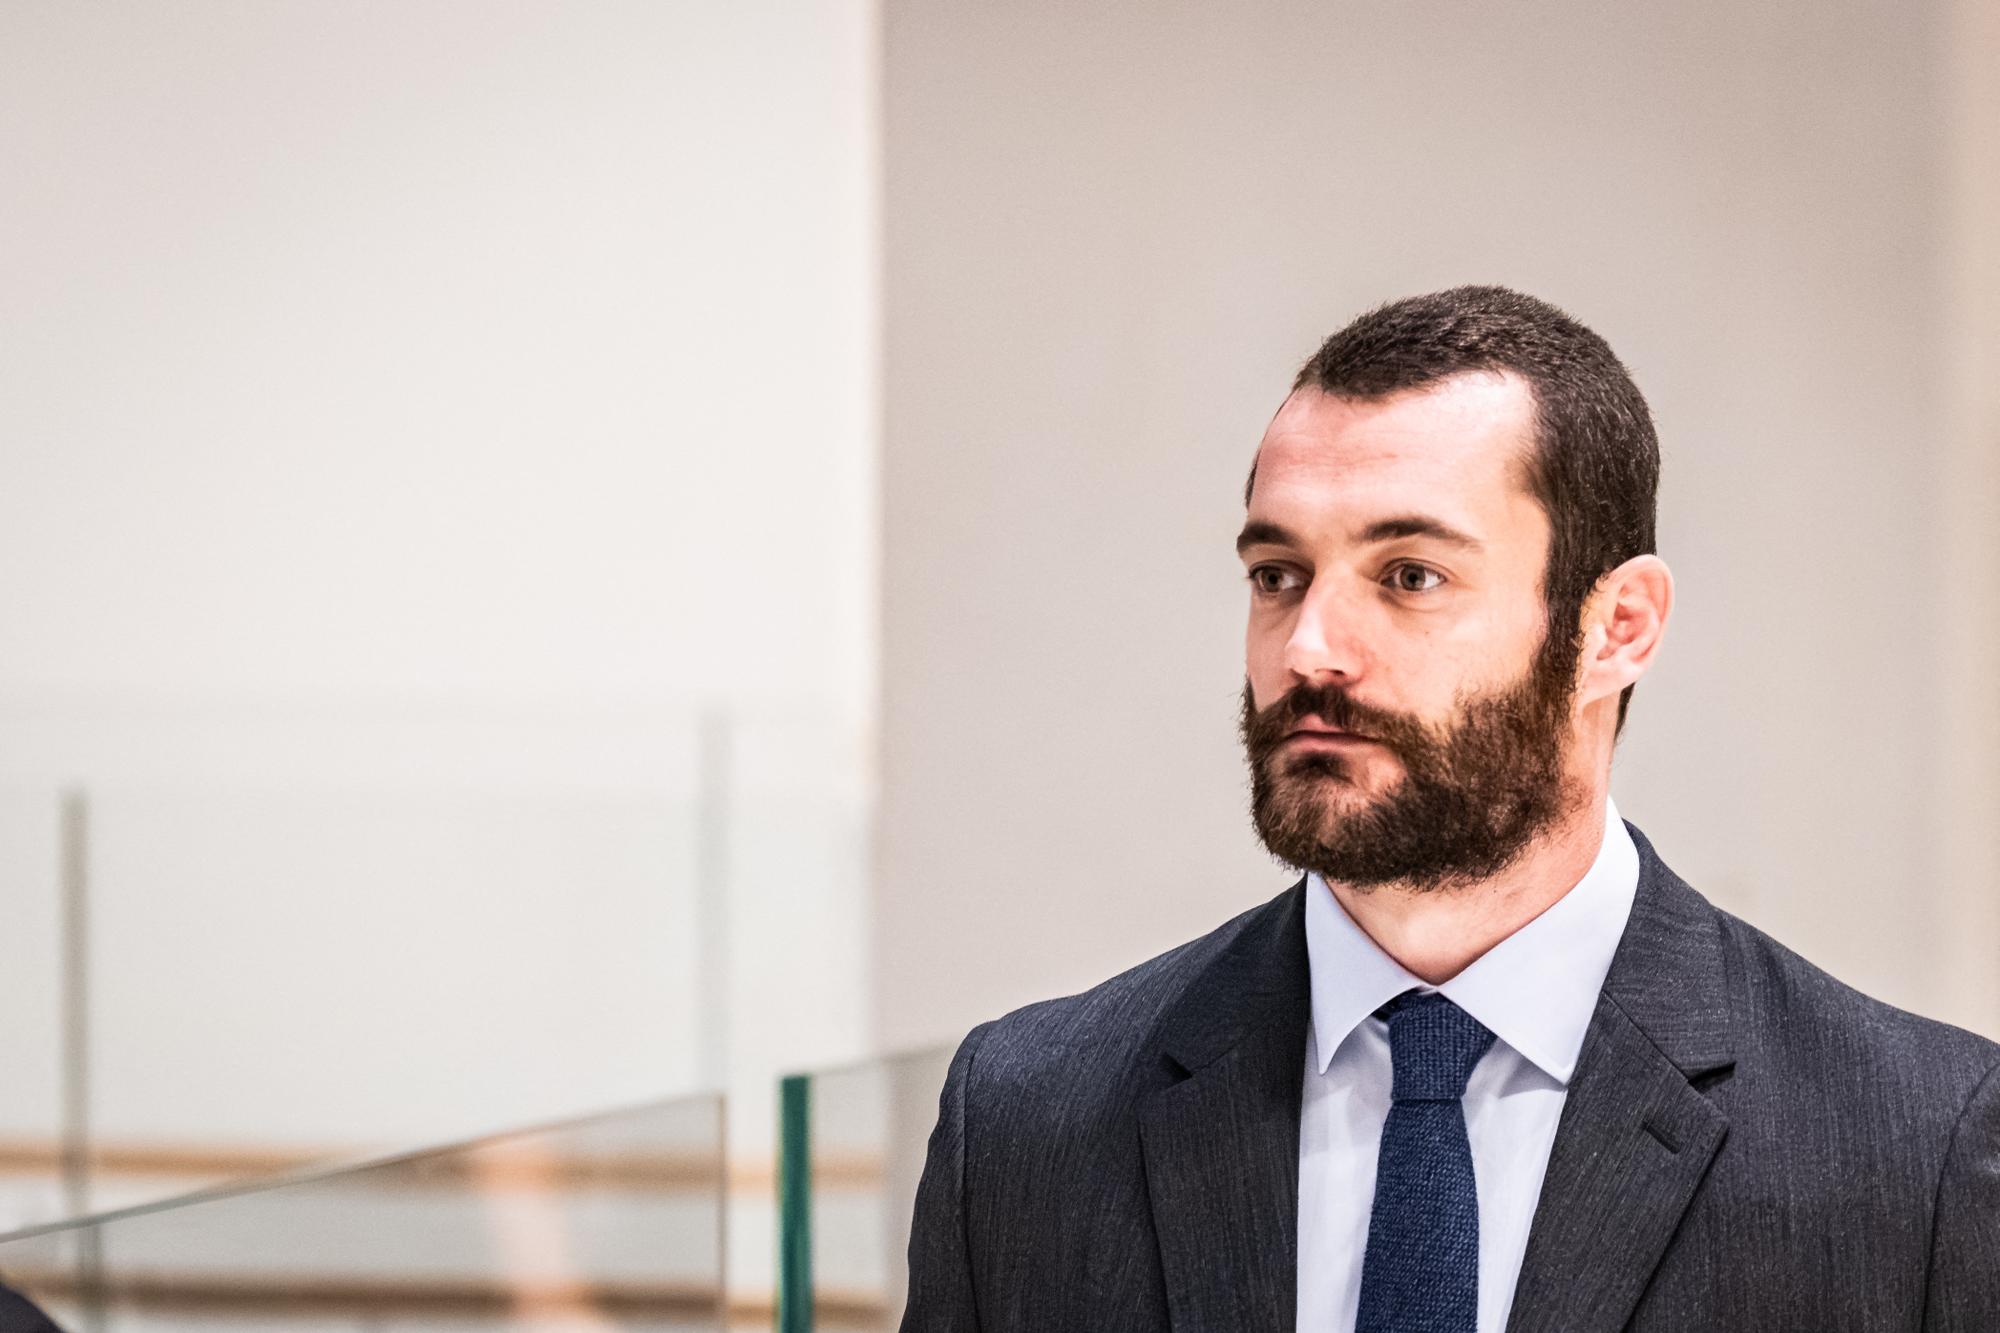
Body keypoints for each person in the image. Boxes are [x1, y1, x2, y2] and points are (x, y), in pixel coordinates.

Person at [899, 286, 2000, 1332]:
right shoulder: (1026, 1124)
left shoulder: (1917, 1152)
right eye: (1278, 573)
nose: (1308, 648)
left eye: (1408, 574)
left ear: (1614, 627)